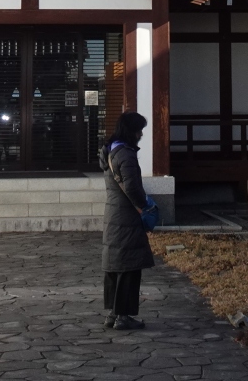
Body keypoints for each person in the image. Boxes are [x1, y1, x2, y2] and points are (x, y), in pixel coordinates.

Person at [98, 111, 154, 330]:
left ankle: (112, 314)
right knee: (129, 266)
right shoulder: (126, 154)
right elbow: (131, 187)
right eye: (139, 130)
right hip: (126, 215)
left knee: (115, 265)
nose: (141, 134)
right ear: (131, 131)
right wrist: (145, 205)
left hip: (113, 214)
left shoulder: (110, 151)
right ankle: (123, 316)